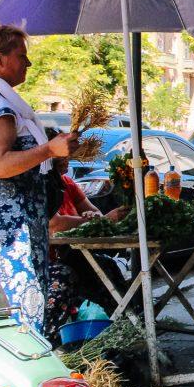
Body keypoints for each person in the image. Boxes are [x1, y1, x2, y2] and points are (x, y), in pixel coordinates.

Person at [0, 25, 78, 334]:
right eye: (21, 56)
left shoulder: (0, 100)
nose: (28, 63)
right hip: (4, 233)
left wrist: (54, 158)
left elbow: (19, 164)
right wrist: (48, 148)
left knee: (23, 307)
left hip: (15, 228)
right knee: (15, 312)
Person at [45, 134, 128, 341]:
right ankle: (56, 340)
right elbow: (54, 224)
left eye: (68, 156)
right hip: (54, 259)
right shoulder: (43, 185)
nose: (67, 160)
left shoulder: (67, 184)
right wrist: (93, 221)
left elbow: (96, 213)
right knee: (67, 276)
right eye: (63, 156)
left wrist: (95, 217)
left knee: (108, 268)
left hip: (76, 254)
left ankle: (126, 326)